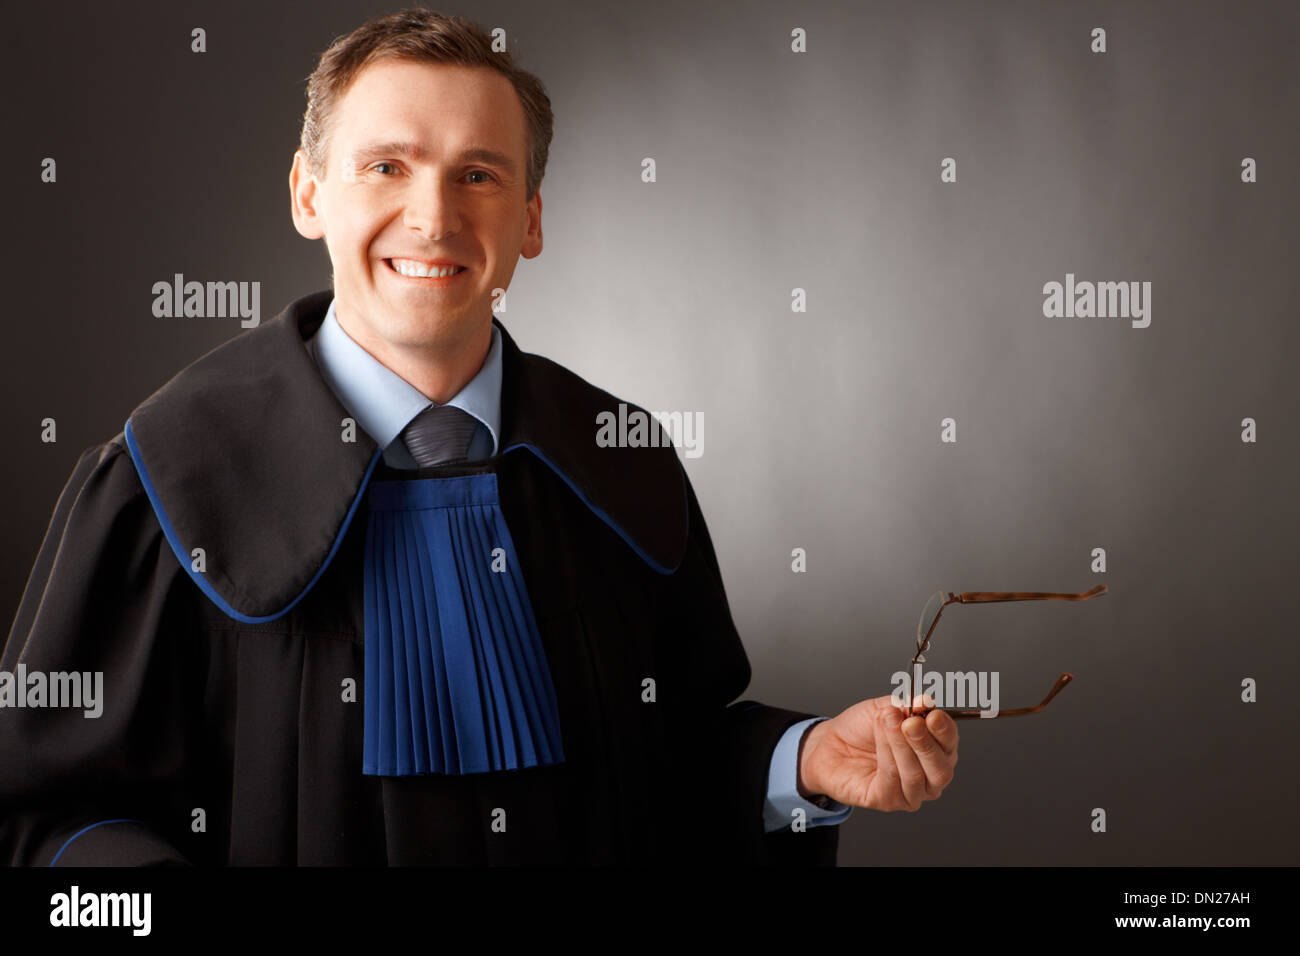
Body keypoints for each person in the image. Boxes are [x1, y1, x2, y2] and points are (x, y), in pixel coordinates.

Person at [0, 9, 957, 866]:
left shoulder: (618, 458)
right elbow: (54, 820)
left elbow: (668, 766)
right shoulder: (168, 477)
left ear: (529, 219)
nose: (434, 216)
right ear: (307, 196)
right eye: (386, 166)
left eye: (479, 174)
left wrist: (807, 763)